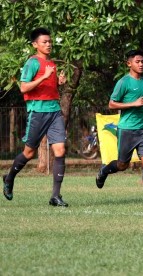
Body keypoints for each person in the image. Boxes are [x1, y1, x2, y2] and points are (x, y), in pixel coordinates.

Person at [2, 28, 68, 206]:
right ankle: (9, 178)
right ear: (35, 45)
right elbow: (24, 88)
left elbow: (49, 88)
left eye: (50, 42)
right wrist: (44, 77)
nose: (48, 45)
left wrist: (59, 83)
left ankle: (55, 196)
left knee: (60, 151)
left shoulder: (52, 63)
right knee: (29, 153)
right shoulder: (32, 62)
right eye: (44, 42)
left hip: (54, 111)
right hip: (37, 112)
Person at [95, 50, 143, 204]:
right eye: (137, 61)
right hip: (127, 130)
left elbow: (142, 104)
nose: (141, 64)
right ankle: (104, 171)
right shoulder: (123, 82)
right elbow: (111, 104)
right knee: (122, 165)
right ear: (129, 63)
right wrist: (134, 103)